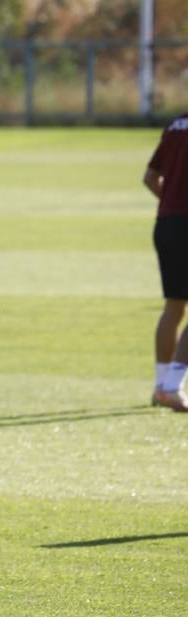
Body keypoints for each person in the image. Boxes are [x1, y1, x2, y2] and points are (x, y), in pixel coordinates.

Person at [146, 112, 188, 412]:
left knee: (174, 306)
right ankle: (173, 387)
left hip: (166, 224)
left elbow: (150, 178)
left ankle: (161, 385)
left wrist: (172, 202)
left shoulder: (175, 125)